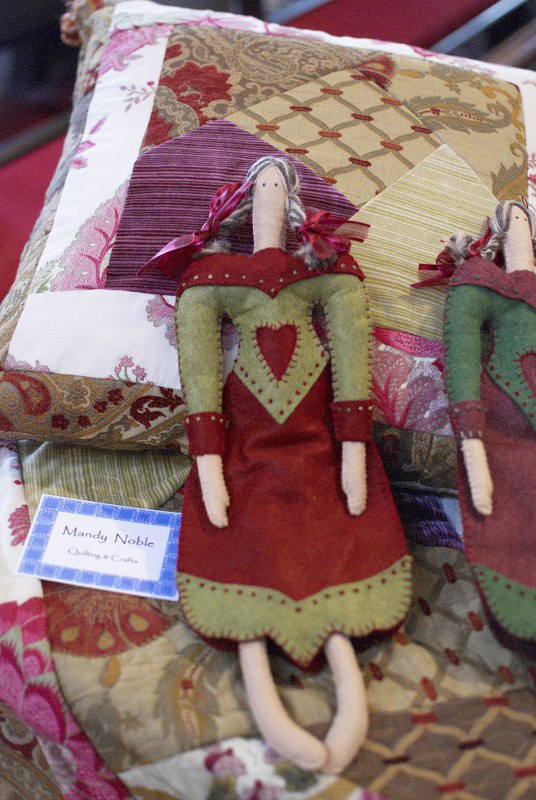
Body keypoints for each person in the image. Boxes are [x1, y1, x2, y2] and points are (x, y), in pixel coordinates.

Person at [172, 156, 412, 772]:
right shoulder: (212, 279)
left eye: (278, 186)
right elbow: (200, 375)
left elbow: (352, 363)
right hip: (243, 456)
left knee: (334, 533)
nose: (271, 196)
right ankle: (259, 662)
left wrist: (352, 446)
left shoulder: (327, 271)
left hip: (321, 452)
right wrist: (208, 457)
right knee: (242, 540)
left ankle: (341, 657)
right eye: (264, 186)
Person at [443, 200, 536, 655]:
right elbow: (461, 361)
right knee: (513, 512)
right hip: (502, 429)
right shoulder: (480, 283)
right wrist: (471, 437)